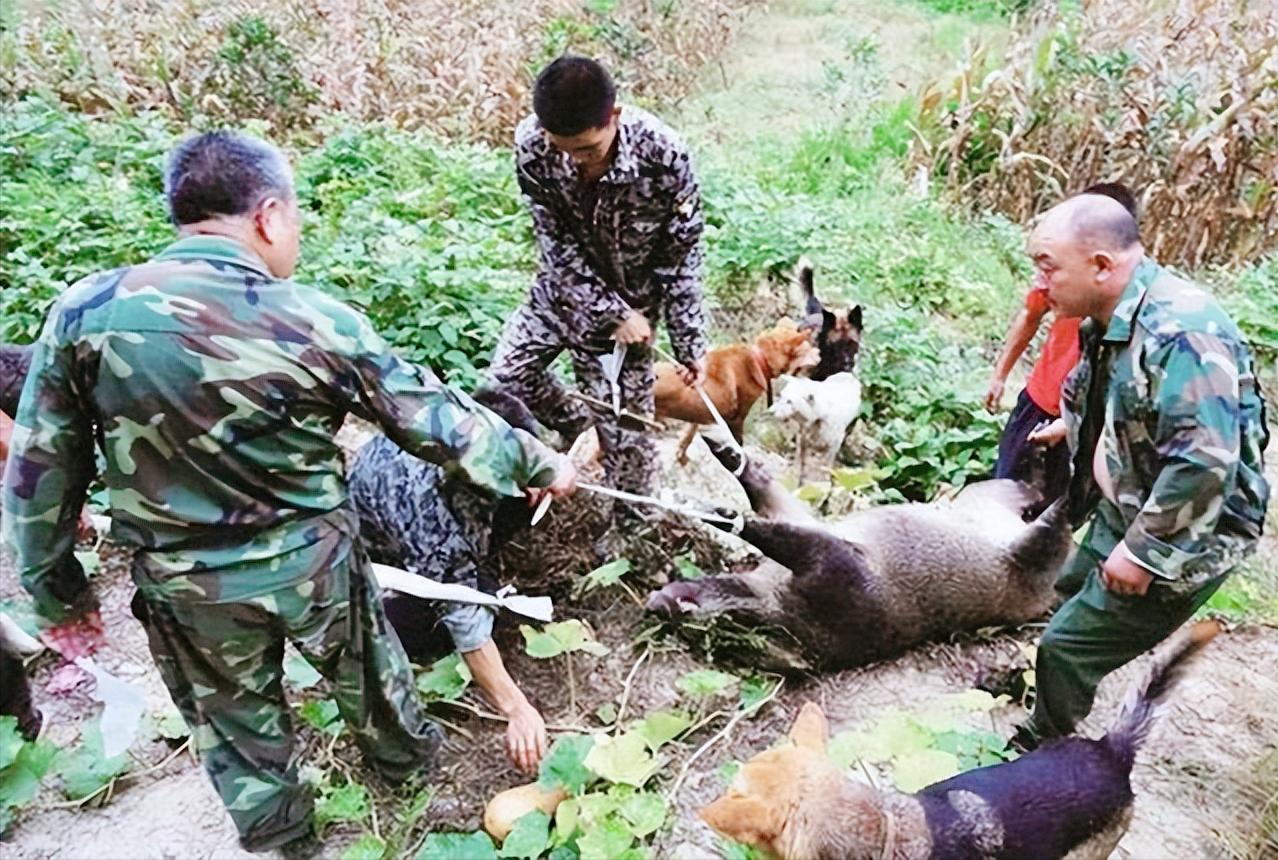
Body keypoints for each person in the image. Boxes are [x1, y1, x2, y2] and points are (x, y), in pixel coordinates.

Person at [0, 131, 576, 852]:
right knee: (371, 681)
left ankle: (285, 840)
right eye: (295, 219)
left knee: (238, 729)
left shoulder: (85, 312)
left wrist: (60, 596)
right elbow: (434, 419)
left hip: (187, 587)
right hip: (316, 568)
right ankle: (408, 775)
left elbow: (40, 472)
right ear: (269, 217)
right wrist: (538, 463)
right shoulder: (312, 318)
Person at [1010, 192, 1270, 750]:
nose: (1039, 284)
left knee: (1067, 645)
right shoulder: (1111, 315)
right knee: (1069, 589)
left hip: (1188, 530)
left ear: (1102, 266)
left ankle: (1043, 749)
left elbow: (1205, 460)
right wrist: (1075, 426)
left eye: (1047, 266)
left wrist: (1143, 552)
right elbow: (1125, 396)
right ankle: (1042, 689)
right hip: (1133, 497)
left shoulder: (1182, 334)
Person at [488, 55, 708, 519]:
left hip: (631, 318)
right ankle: (579, 425)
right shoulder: (532, 146)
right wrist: (610, 311)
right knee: (503, 385)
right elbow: (555, 243)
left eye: (587, 149)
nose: (574, 160)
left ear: (614, 116)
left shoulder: (664, 156)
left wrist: (689, 344)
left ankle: (635, 532)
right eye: (563, 148)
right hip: (560, 297)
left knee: (628, 437)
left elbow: (683, 256)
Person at [349, 388, 556, 775]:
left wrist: (540, 472)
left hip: (394, 519)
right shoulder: (434, 518)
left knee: (514, 516)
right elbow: (465, 620)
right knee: (428, 631)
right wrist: (517, 708)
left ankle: (478, 565)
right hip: (378, 571)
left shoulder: (448, 427)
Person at [984, 183, 1139, 501]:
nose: (1043, 281)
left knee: (1054, 514)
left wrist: (1076, 425)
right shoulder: (1062, 276)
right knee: (1003, 495)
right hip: (1041, 404)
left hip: (1088, 426)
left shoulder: (1146, 317)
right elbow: (1030, 315)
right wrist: (1000, 374)